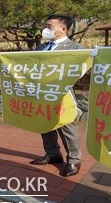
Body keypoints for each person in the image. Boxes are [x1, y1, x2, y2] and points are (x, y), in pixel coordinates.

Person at [30, 14, 85, 177]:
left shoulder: (77, 49)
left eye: (50, 26)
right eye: (46, 26)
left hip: (63, 94)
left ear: (63, 29)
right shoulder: (41, 48)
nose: (46, 29)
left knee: (66, 125)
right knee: (44, 123)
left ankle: (74, 159)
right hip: (42, 93)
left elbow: (81, 71)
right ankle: (53, 153)